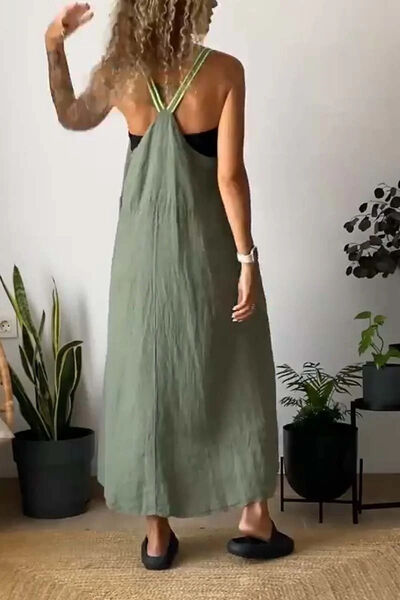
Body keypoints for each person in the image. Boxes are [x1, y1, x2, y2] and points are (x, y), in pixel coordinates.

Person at [45, 0, 294, 570]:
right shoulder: (225, 71)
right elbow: (229, 176)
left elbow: (71, 115)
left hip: (140, 258)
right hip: (210, 252)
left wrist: (54, 46)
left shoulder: (122, 74)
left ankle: (157, 535)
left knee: (148, 375)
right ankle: (254, 514)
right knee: (240, 363)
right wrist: (247, 259)